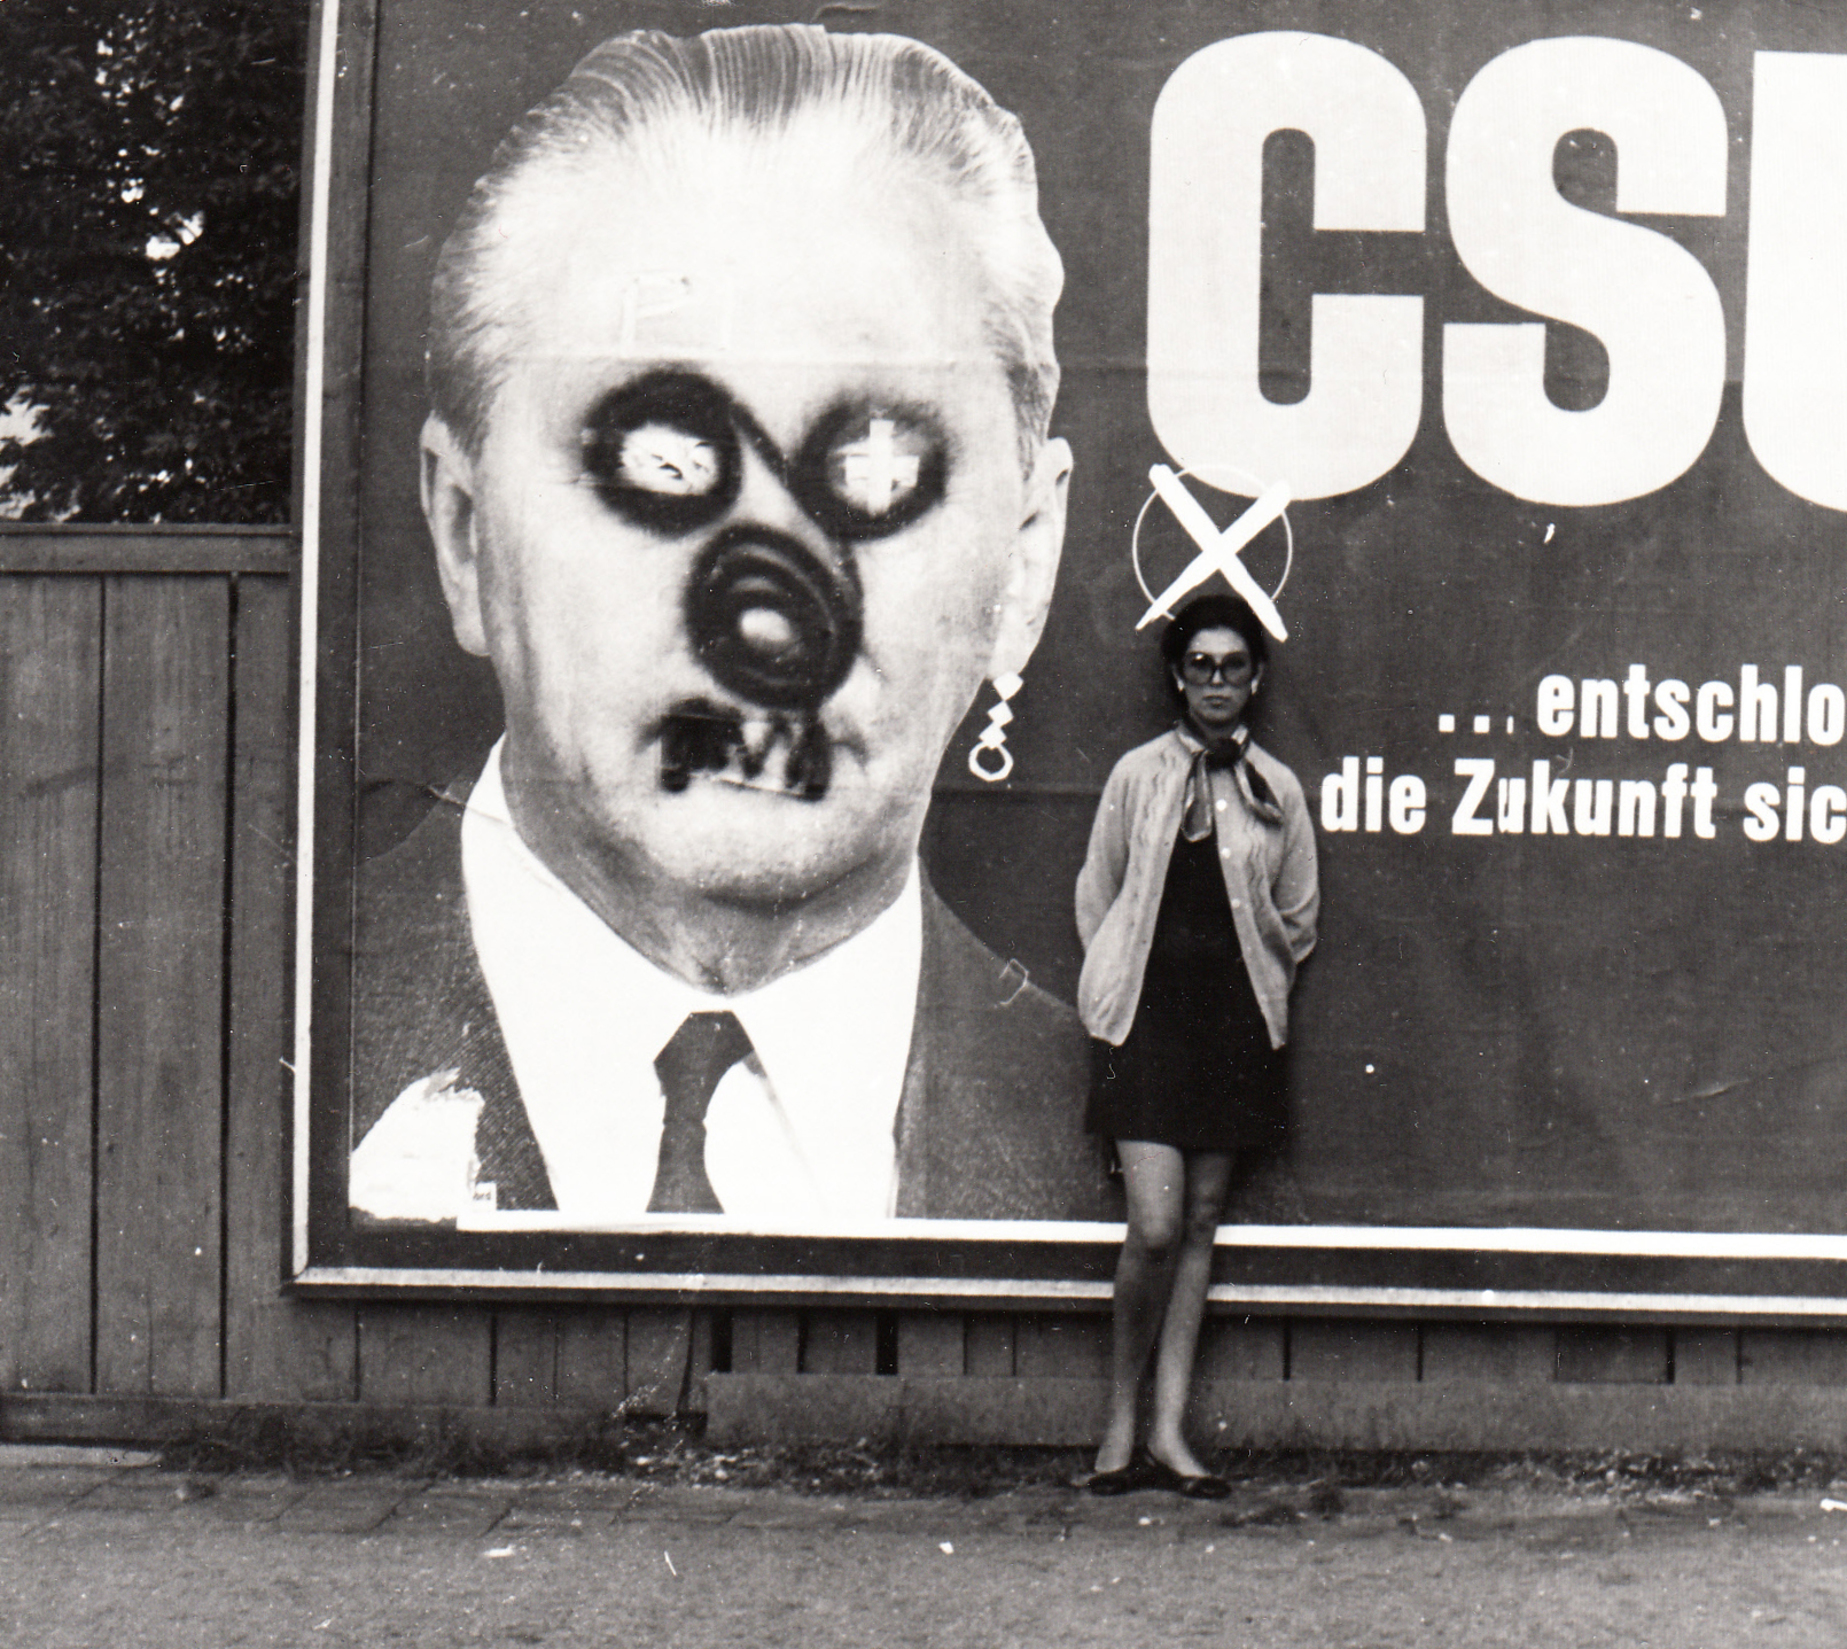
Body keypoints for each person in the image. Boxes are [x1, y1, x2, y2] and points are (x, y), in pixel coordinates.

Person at [346, 23, 1110, 1230]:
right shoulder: (237, 1032)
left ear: (1024, 564)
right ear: (463, 530)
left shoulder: (1114, 1148)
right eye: (658, 467)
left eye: (873, 476)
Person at [1073, 592, 1319, 1495]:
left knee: (1202, 1224)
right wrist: (1117, 985)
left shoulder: (1278, 788)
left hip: (1234, 1027)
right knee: (1155, 1225)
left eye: (1234, 666)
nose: (1218, 681)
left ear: (1256, 678)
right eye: (1201, 665)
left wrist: (1253, 985)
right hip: (1143, 1023)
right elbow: (1097, 895)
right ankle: (1118, 1426)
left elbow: (1299, 915)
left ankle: (1170, 1434)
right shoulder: (1136, 776)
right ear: (1179, 676)